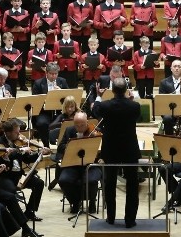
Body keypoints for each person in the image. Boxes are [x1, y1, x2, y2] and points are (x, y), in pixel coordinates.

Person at [96, 77, 141, 227]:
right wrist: (131, 99)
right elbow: (136, 116)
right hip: (129, 149)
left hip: (111, 149)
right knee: (132, 185)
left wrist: (98, 95)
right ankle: (130, 220)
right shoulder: (134, 106)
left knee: (110, 184)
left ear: (113, 90)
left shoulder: (105, 106)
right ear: (127, 90)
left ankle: (111, 218)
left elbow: (95, 110)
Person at [55, 112, 102, 214]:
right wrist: (71, 145)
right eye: (77, 125)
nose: (80, 127)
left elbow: (102, 149)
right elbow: (60, 147)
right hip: (72, 165)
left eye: (82, 125)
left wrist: (95, 141)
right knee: (63, 180)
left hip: (90, 166)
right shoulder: (69, 130)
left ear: (87, 122)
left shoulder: (95, 131)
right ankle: (75, 202)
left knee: (92, 180)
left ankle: (92, 202)